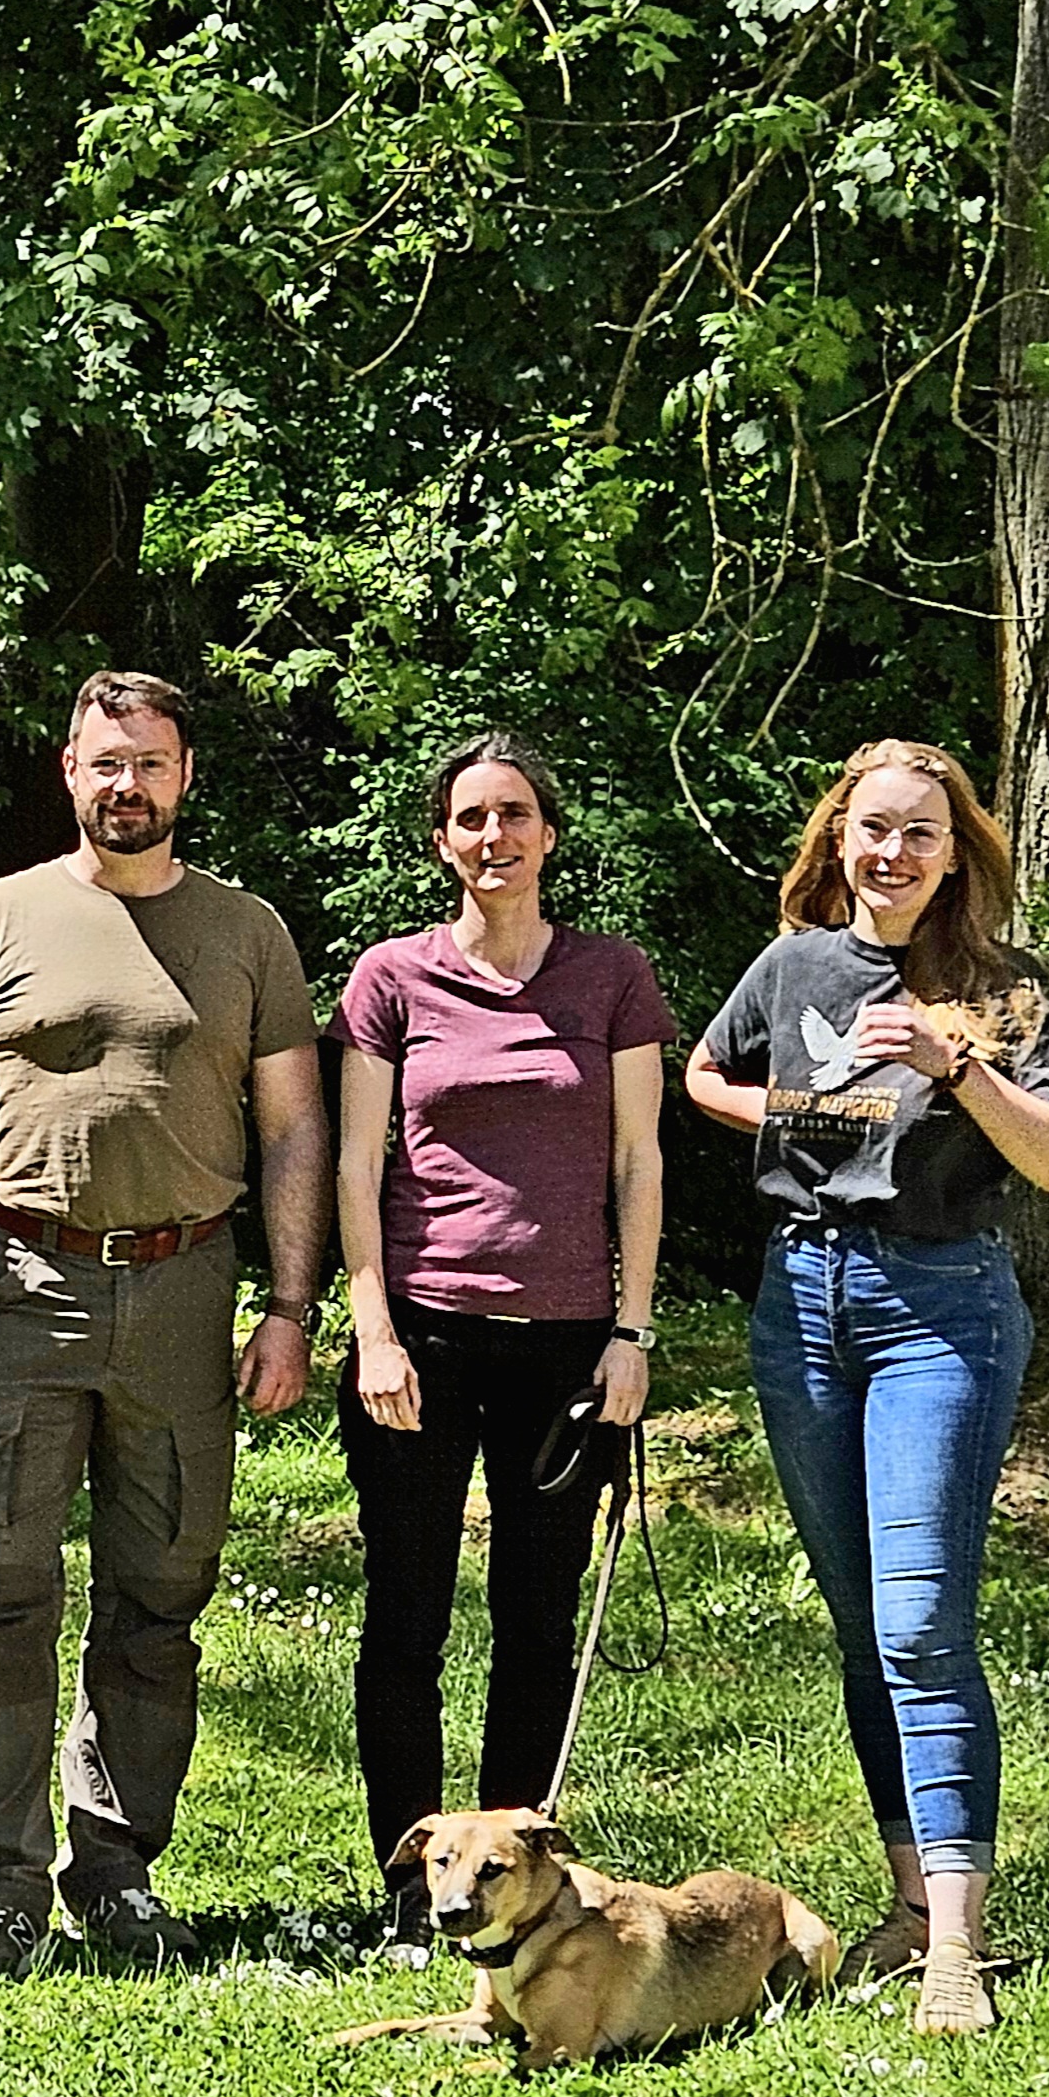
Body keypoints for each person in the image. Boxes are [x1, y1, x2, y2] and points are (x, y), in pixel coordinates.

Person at [0, 670, 327, 1978]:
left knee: (162, 1590)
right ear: (66, 774)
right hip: (22, 1284)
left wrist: (291, 1305)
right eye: (101, 764)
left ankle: (119, 1867)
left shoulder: (246, 931)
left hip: (188, 1293)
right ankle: (0, 1881)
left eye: (148, 764)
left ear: (184, 777)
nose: (123, 786)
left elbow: (295, 1124)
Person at [685, 737, 1049, 2036]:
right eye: (871, 829)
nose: (890, 853)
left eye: (919, 833)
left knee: (921, 1626)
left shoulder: (1000, 992)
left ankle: (956, 1959)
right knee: (865, 1625)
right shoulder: (793, 964)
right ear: (838, 840)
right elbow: (706, 1073)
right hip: (799, 1303)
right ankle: (910, 1907)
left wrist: (952, 1066)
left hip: (940, 1309)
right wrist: (810, 1121)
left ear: (955, 852)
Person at [335, 733, 673, 1939]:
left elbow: (638, 1160)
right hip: (423, 1338)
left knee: (537, 1618)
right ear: (442, 840)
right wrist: (372, 1330)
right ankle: (407, 1892)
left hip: (569, 1342)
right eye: (472, 818)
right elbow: (354, 1164)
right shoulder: (392, 978)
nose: (495, 837)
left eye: (516, 814)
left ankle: (517, 1892)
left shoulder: (611, 978)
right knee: (406, 1619)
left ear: (547, 833)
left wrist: (631, 1329)